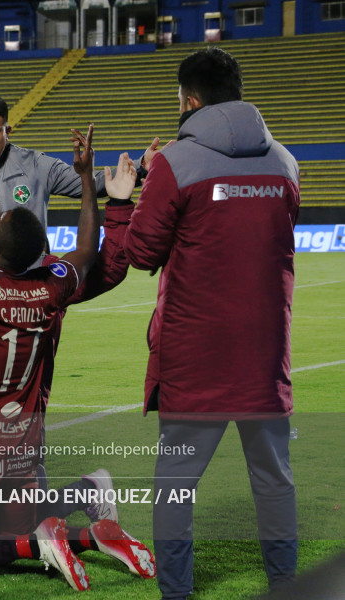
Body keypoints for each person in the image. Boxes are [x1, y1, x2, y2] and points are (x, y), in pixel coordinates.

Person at [0, 125, 155, 590]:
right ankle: (87, 512)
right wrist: (98, 188)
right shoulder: (55, 286)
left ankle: (39, 542)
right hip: (24, 445)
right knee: (8, 522)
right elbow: (93, 255)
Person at [122, 47, 300, 599]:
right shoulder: (285, 162)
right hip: (264, 354)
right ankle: (286, 586)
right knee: (274, 482)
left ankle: (176, 594)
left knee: (176, 488)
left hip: (194, 356)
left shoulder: (175, 162)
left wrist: (134, 191)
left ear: (190, 101)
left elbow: (141, 252)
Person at [0, 91, 162, 270]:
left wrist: (141, 166)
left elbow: (92, 182)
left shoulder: (36, 165)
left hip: (22, 293)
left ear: (8, 131)